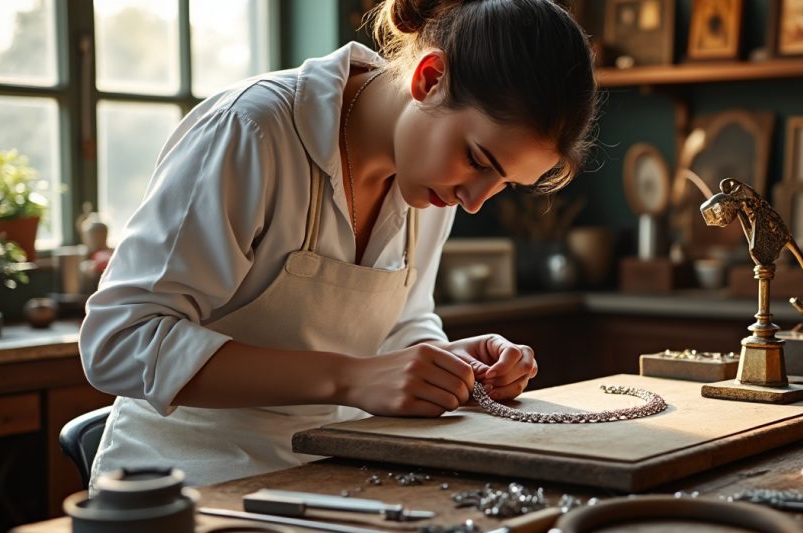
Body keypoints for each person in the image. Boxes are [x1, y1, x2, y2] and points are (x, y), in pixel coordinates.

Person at [79, 0, 598, 488]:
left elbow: (399, 329)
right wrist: (351, 379)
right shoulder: (253, 131)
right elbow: (119, 341)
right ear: (430, 78)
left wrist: (449, 367)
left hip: (335, 472)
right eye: (480, 161)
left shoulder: (431, 186)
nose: (475, 200)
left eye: (503, 183)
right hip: (182, 484)